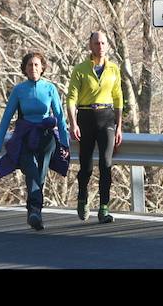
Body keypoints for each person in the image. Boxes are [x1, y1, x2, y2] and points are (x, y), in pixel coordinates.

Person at [0, 52, 70, 231]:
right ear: (24, 69)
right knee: (32, 171)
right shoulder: (19, 90)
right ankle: (34, 210)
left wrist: (64, 143)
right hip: (25, 137)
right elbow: (6, 119)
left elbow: (59, 116)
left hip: (46, 137)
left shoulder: (50, 88)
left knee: (40, 175)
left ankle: (35, 212)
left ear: (42, 68)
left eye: (36, 65)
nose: (33, 68)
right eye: (29, 65)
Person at [66, 31, 123, 223]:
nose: (100, 47)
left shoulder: (114, 69)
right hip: (86, 117)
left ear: (107, 46)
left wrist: (119, 126)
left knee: (106, 165)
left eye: (103, 43)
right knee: (87, 166)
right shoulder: (80, 69)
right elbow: (71, 98)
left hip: (106, 117)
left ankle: (104, 208)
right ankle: (82, 197)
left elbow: (118, 98)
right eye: (96, 43)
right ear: (90, 46)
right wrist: (73, 123)